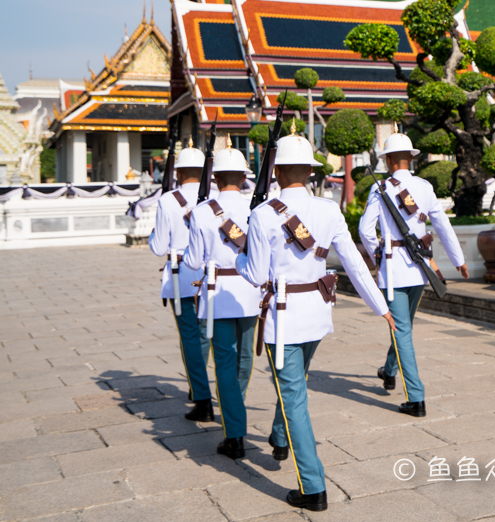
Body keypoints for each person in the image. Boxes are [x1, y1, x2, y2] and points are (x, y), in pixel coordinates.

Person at [236, 132, 393, 511]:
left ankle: (313, 487)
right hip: (318, 312)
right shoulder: (329, 209)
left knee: (293, 395)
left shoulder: (260, 214)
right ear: (309, 171)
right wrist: (380, 306)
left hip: (285, 317)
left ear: (275, 171)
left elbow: (256, 274)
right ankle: (279, 435)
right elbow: (355, 263)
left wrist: (241, 257)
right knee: (295, 382)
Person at [360, 133, 468, 418]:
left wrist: (378, 255)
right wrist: (458, 260)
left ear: (390, 160)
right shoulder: (424, 187)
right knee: (404, 327)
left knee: (402, 330)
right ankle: (389, 370)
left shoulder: (380, 188)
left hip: (394, 270)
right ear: (410, 157)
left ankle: (416, 398)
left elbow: (365, 231)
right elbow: (442, 224)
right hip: (420, 268)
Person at [184, 144, 259, 459]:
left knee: (225, 363)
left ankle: (234, 430)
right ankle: (234, 409)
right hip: (251, 292)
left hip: (217, 294)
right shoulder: (258, 209)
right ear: (244, 177)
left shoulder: (202, 212)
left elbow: (192, 261)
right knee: (244, 359)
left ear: (214, 178)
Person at [149, 144, 214, 422]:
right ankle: (201, 386)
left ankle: (201, 396)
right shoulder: (215, 197)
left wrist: (155, 234)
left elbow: (158, 246)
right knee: (205, 335)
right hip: (211, 276)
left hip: (181, 275)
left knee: (189, 338)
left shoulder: (167, 200)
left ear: (177, 172)